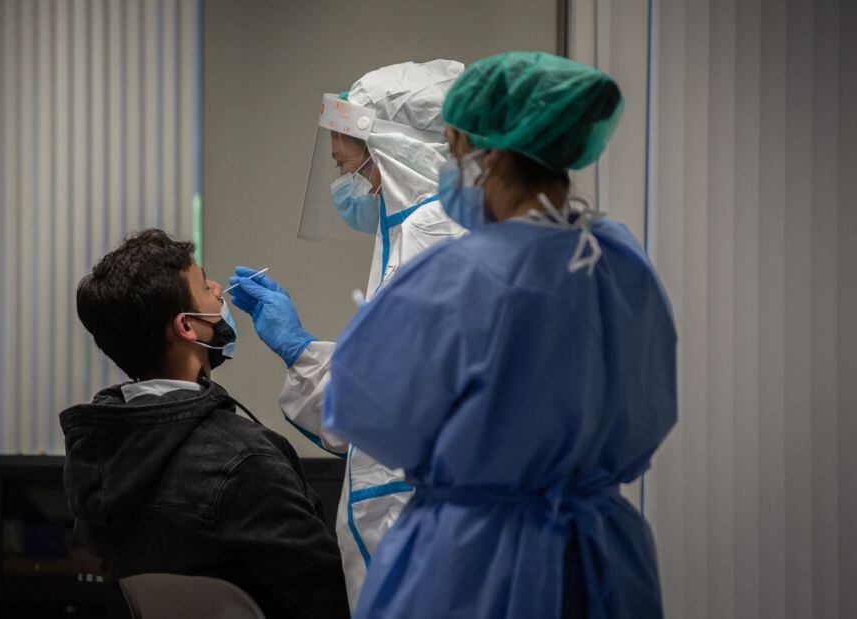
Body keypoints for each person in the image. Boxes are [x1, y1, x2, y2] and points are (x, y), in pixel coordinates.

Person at [322, 52, 677, 618]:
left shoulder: (457, 274)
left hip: (475, 559)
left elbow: (363, 414)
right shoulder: (620, 261)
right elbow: (651, 410)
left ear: (467, 146)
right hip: (602, 556)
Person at [228, 59, 467, 607]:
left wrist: (299, 351)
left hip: (424, 543)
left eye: (347, 165)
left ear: (396, 153)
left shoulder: (434, 240)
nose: (343, 184)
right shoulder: (412, 237)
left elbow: (387, 409)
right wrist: (303, 353)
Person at [59, 229, 349, 619]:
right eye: (204, 284)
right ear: (186, 327)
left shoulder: (96, 456)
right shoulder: (246, 462)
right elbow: (332, 602)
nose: (218, 289)